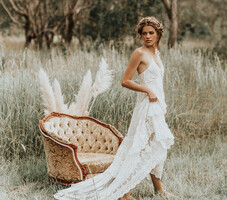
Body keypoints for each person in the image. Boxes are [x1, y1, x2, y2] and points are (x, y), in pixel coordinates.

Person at [54, 16, 175, 200]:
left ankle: (159, 190)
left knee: (157, 147)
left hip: (157, 107)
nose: (148, 36)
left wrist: (163, 102)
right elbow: (125, 81)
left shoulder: (156, 53)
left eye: (151, 33)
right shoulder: (139, 53)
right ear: (140, 36)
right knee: (138, 148)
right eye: (144, 33)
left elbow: (159, 82)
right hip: (145, 107)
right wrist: (147, 90)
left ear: (158, 34)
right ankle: (124, 192)